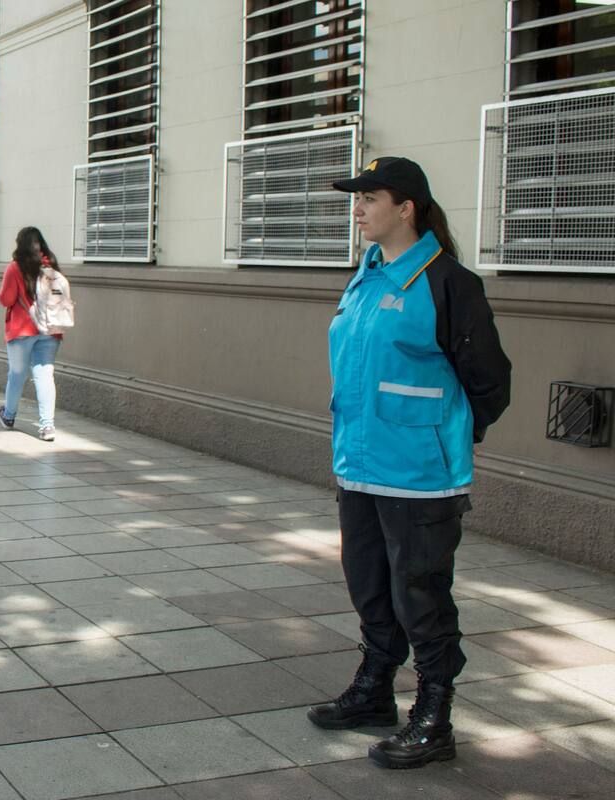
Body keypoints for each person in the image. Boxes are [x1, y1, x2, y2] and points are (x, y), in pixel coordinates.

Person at [310, 157, 511, 769]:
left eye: (371, 197)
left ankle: (434, 716)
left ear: (407, 208)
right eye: (358, 197)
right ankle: (375, 690)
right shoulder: (366, 276)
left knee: (421, 594)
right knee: (369, 584)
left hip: (421, 476)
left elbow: (489, 383)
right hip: (360, 465)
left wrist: (441, 437)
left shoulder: (449, 282)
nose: (359, 207)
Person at [0, 227, 67, 441]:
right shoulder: (51, 266)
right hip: (50, 329)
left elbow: (6, 299)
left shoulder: (15, 268)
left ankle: (9, 415)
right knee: (45, 376)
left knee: (17, 374)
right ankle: (47, 426)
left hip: (22, 329)